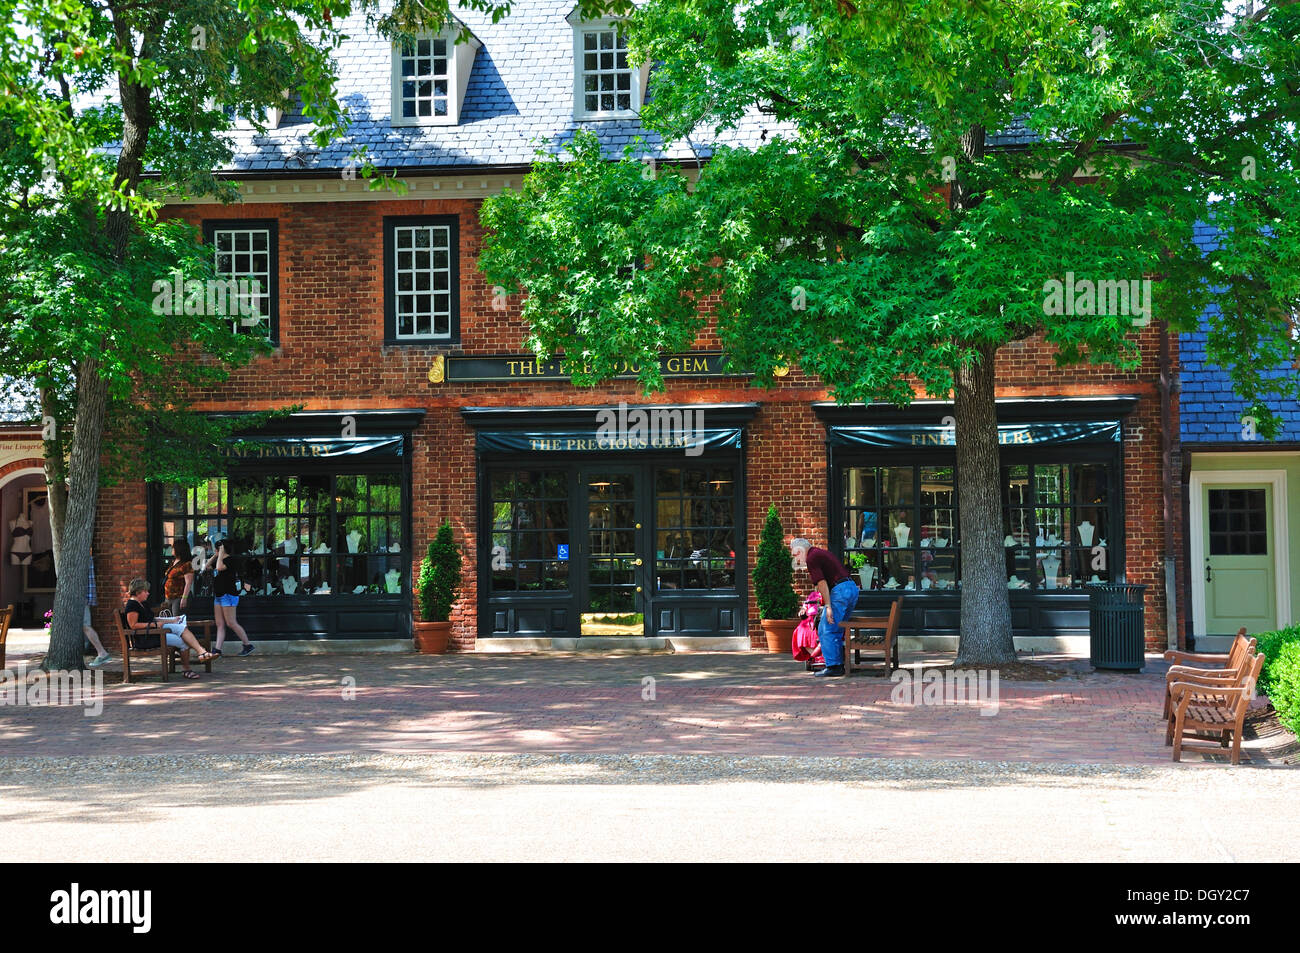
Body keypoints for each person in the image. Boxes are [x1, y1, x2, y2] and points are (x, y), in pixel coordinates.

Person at [790, 537, 859, 678]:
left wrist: (828, 606)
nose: (796, 558)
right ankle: (838, 664)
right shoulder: (819, 553)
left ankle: (834, 667)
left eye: (795, 554)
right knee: (836, 629)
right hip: (850, 588)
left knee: (825, 629)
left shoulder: (812, 558)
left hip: (840, 591)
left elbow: (821, 584)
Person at [123, 577, 215, 679]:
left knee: (180, 627)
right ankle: (188, 668)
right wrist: (155, 625)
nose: (148, 593)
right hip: (147, 638)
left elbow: (151, 618)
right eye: (145, 591)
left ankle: (201, 652)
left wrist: (171, 620)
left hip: (155, 632)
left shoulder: (143, 603)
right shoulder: (132, 605)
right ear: (137, 592)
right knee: (183, 642)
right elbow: (133, 625)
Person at [206, 539, 255, 657]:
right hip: (218, 595)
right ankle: (217, 649)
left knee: (231, 622)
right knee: (220, 623)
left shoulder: (230, 560)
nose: (216, 550)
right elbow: (207, 566)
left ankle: (247, 645)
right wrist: (216, 555)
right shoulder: (218, 559)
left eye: (217, 548)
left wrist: (222, 553)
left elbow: (219, 568)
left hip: (228, 595)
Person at [83, 554, 112, 668]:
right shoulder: (85, 557)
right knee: (84, 626)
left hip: (81, 598)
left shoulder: (82, 557)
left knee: (85, 626)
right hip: (83, 598)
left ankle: (102, 652)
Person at [164, 539, 195, 617]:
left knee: (177, 621)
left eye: (173, 548)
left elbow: (188, 582)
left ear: (179, 549)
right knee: (169, 620)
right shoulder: (174, 562)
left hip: (179, 597)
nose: (172, 549)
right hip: (169, 596)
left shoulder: (187, 564)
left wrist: (184, 598)